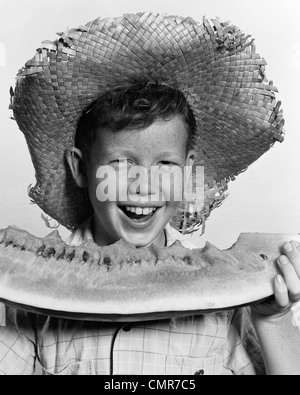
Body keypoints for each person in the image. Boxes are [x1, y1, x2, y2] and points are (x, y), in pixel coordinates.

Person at [2, 13, 300, 375]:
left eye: (165, 166)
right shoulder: (30, 301)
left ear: (188, 171)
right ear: (80, 169)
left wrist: (275, 320)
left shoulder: (229, 304)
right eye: (122, 164)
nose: (145, 186)